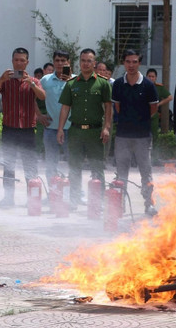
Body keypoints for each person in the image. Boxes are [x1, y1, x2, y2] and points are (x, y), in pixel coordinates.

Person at [0, 47, 46, 206]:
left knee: (30, 165)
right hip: (9, 129)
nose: (19, 63)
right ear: (12, 61)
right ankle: (8, 198)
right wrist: (0, 79)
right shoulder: (6, 80)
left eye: (22, 60)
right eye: (16, 60)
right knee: (8, 165)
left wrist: (32, 85)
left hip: (28, 130)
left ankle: (33, 199)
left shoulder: (33, 81)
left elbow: (43, 96)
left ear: (27, 62)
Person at [57, 48, 112, 210]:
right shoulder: (71, 84)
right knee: (74, 167)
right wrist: (60, 129)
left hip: (95, 132)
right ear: (79, 62)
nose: (86, 63)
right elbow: (65, 108)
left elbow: (108, 107)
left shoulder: (103, 83)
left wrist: (106, 127)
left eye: (89, 61)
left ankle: (99, 200)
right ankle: (74, 200)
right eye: (83, 60)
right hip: (76, 132)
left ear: (94, 63)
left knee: (97, 167)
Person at [112, 50, 159, 214]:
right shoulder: (117, 84)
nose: (131, 65)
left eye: (134, 62)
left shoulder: (148, 85)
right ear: (123, 63)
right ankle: (120, 204)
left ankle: (149, 203)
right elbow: (117, 107)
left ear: (139, 63)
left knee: (146, 171)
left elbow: (153, 109)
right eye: (127, 62)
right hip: (122, 135)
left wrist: (140, 120)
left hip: (142, 136)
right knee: (121, 171)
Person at [39, 50, 74, 179]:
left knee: (74, 163)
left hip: (71, 129)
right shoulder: (45, 80)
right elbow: (31, 96)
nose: (60, 63)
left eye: (63, 61)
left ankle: (75, 194)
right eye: (57, 60)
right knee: (50, 164)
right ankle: (52, 194)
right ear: (53, 62)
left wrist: (69, 80)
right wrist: (39, 115)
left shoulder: (75, 80)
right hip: (50, 129)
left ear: (68, 63)